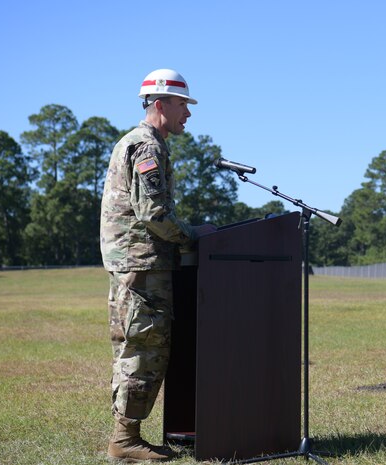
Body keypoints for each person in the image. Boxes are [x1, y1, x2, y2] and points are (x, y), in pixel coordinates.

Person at [100, 68, 216, 462]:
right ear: (160, 104)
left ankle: (126, 434)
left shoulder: (139, 143)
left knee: (136, 347)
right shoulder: (147, 146)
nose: (188, 114)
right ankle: (125, 439)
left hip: (136, 265)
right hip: (143, 266)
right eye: (183, 105)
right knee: (144, 350)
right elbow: (155, 215)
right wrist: (195, 236)